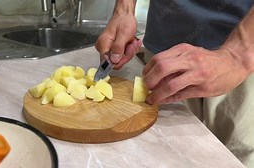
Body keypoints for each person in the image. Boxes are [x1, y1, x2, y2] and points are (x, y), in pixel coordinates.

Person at [95, 0, 254, 167]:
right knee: (152, 155)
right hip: (162, 58)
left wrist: (238, 55)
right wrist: (124, 10)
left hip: (242, 65)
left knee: (238, 159)